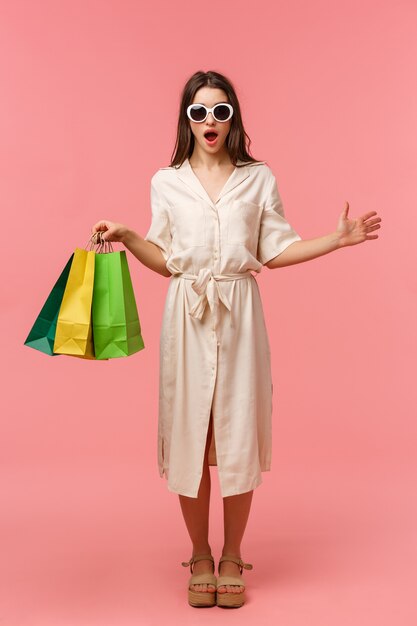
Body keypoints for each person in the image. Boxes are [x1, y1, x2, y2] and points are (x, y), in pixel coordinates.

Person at [91, 70, 382, 609]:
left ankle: (232, 556)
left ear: (233, 118)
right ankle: (200, 554)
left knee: (237, 434)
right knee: (190, 436)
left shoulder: (258, 177)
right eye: (198, 112)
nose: (209, 122)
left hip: (240, 312)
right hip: (187, 314)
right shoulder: (167, 180)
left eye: (220, 111)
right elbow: (167, 260)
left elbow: (273, 250)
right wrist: (131, 236)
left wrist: (335, 242)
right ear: (186, 118)